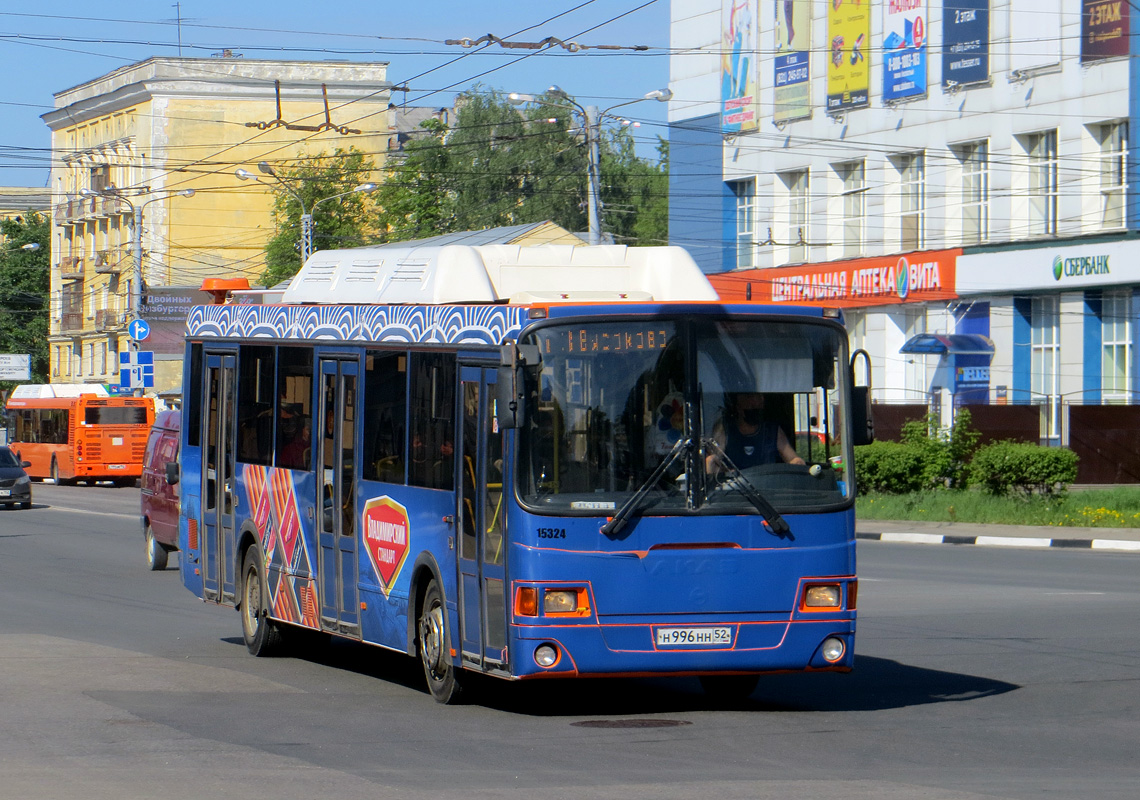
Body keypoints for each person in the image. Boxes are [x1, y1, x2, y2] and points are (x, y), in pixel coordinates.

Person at [706, 392, 804, 475]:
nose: (756, 403)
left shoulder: (772, 431)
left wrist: (797, 463)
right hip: (733, 492)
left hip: (767, 489)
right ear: (738, 406)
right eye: (751, 407)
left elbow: (793, 459)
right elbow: (713, 461)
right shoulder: (725, 430)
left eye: (759, 406)